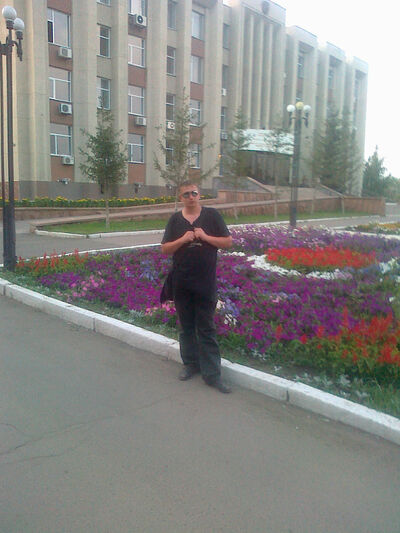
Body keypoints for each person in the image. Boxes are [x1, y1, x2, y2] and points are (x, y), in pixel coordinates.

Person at [161, 181, 233, 393]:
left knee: (206, 328)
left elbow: (228, 242)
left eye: (194, 193)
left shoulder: (212, 216)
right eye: (186, 194)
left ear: (199, 195)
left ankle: (212, 375)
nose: (191, 197)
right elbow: (165, 249)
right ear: (180, 198)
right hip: (181, 282)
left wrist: (205, 237)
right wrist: (183, 239)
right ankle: (190, 365)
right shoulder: (175, 220)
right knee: (186, 328)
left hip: (205, 283)